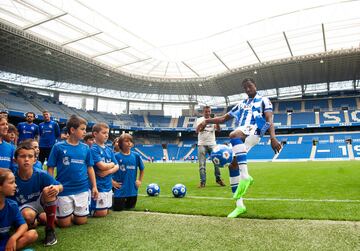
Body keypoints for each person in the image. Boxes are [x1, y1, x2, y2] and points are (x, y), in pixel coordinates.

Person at [197, 78, 282, 218]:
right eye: (245, 88)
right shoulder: (241, 104)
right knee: (232, 165)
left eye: (250, 86)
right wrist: (207, 120)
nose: (248, 89)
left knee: (233, 134)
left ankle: (245, 176)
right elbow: (224, 118)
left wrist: (272, 137)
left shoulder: (264, 100)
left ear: (255, 85)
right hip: (242, 136)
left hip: (254, 129)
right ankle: (239, 206)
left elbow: (269, 119)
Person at [47, 115, 98, 227]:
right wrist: (51, 184)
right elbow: (50, 167)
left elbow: (90, 168)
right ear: (72, 130)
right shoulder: (58, 147)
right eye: (82, 129)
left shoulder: (85, 148)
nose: (85, 132)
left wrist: (94, 186)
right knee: (64, 225)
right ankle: (56, 216)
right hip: (64, 189)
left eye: (85, 129)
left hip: (82, 189)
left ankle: (72, 213)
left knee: (81, 222)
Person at [12, 142, 63, 246]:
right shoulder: (12, 178)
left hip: (39, 203)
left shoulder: (41, 174)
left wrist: (57, 187)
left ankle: (50, 230)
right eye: (22, 156)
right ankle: (35, 220)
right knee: (28, 216)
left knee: (49, 189)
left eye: (30, 156)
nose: (26, 159)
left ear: (35, 160)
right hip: (24, 206)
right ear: (15, 160)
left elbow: (61, 186)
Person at [0, 168, 38, 250]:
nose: (15, 185)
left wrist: (13, 238)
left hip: (5, 242)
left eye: (15, 182)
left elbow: (23, 225)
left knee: (32, 234)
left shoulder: (12, 205)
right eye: (11, 182)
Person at [90, 123, 119, 217]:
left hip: (108, 185)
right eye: (104, 133)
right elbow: (102, 166)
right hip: (99, 185)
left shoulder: (109, 149)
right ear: (95, 134)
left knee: (106, 211)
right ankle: (84, 212)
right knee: (101, 213)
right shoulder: (94, 149)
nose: (107, 135)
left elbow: (117, 166)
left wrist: (108, 171)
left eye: (107, 133)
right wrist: (111, 164)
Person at [113, 133, 144, 211]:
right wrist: (112, 182)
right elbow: (108, 171)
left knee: (130, 208)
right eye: (126, 141)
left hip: (132, 191)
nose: (129, 143)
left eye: (130, 141)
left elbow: (142, 169)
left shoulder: (136, 155)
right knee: (118, 210)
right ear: (120, 143)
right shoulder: (116, 156)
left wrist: (139, 180)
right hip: (120, 190)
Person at [195, 106, 225, 188]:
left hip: (212, 144)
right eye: (206, 112)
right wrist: (205, 123)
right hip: (202, 144)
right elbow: (198, 130)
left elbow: (218, 130)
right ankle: (202, 182)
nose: (207, 113)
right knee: (202, 164)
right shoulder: (199, 120)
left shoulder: (213, 120)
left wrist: (217, 122)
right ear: (203, 112)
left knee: (217, 163)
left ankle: (218, 179)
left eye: (209, 111)